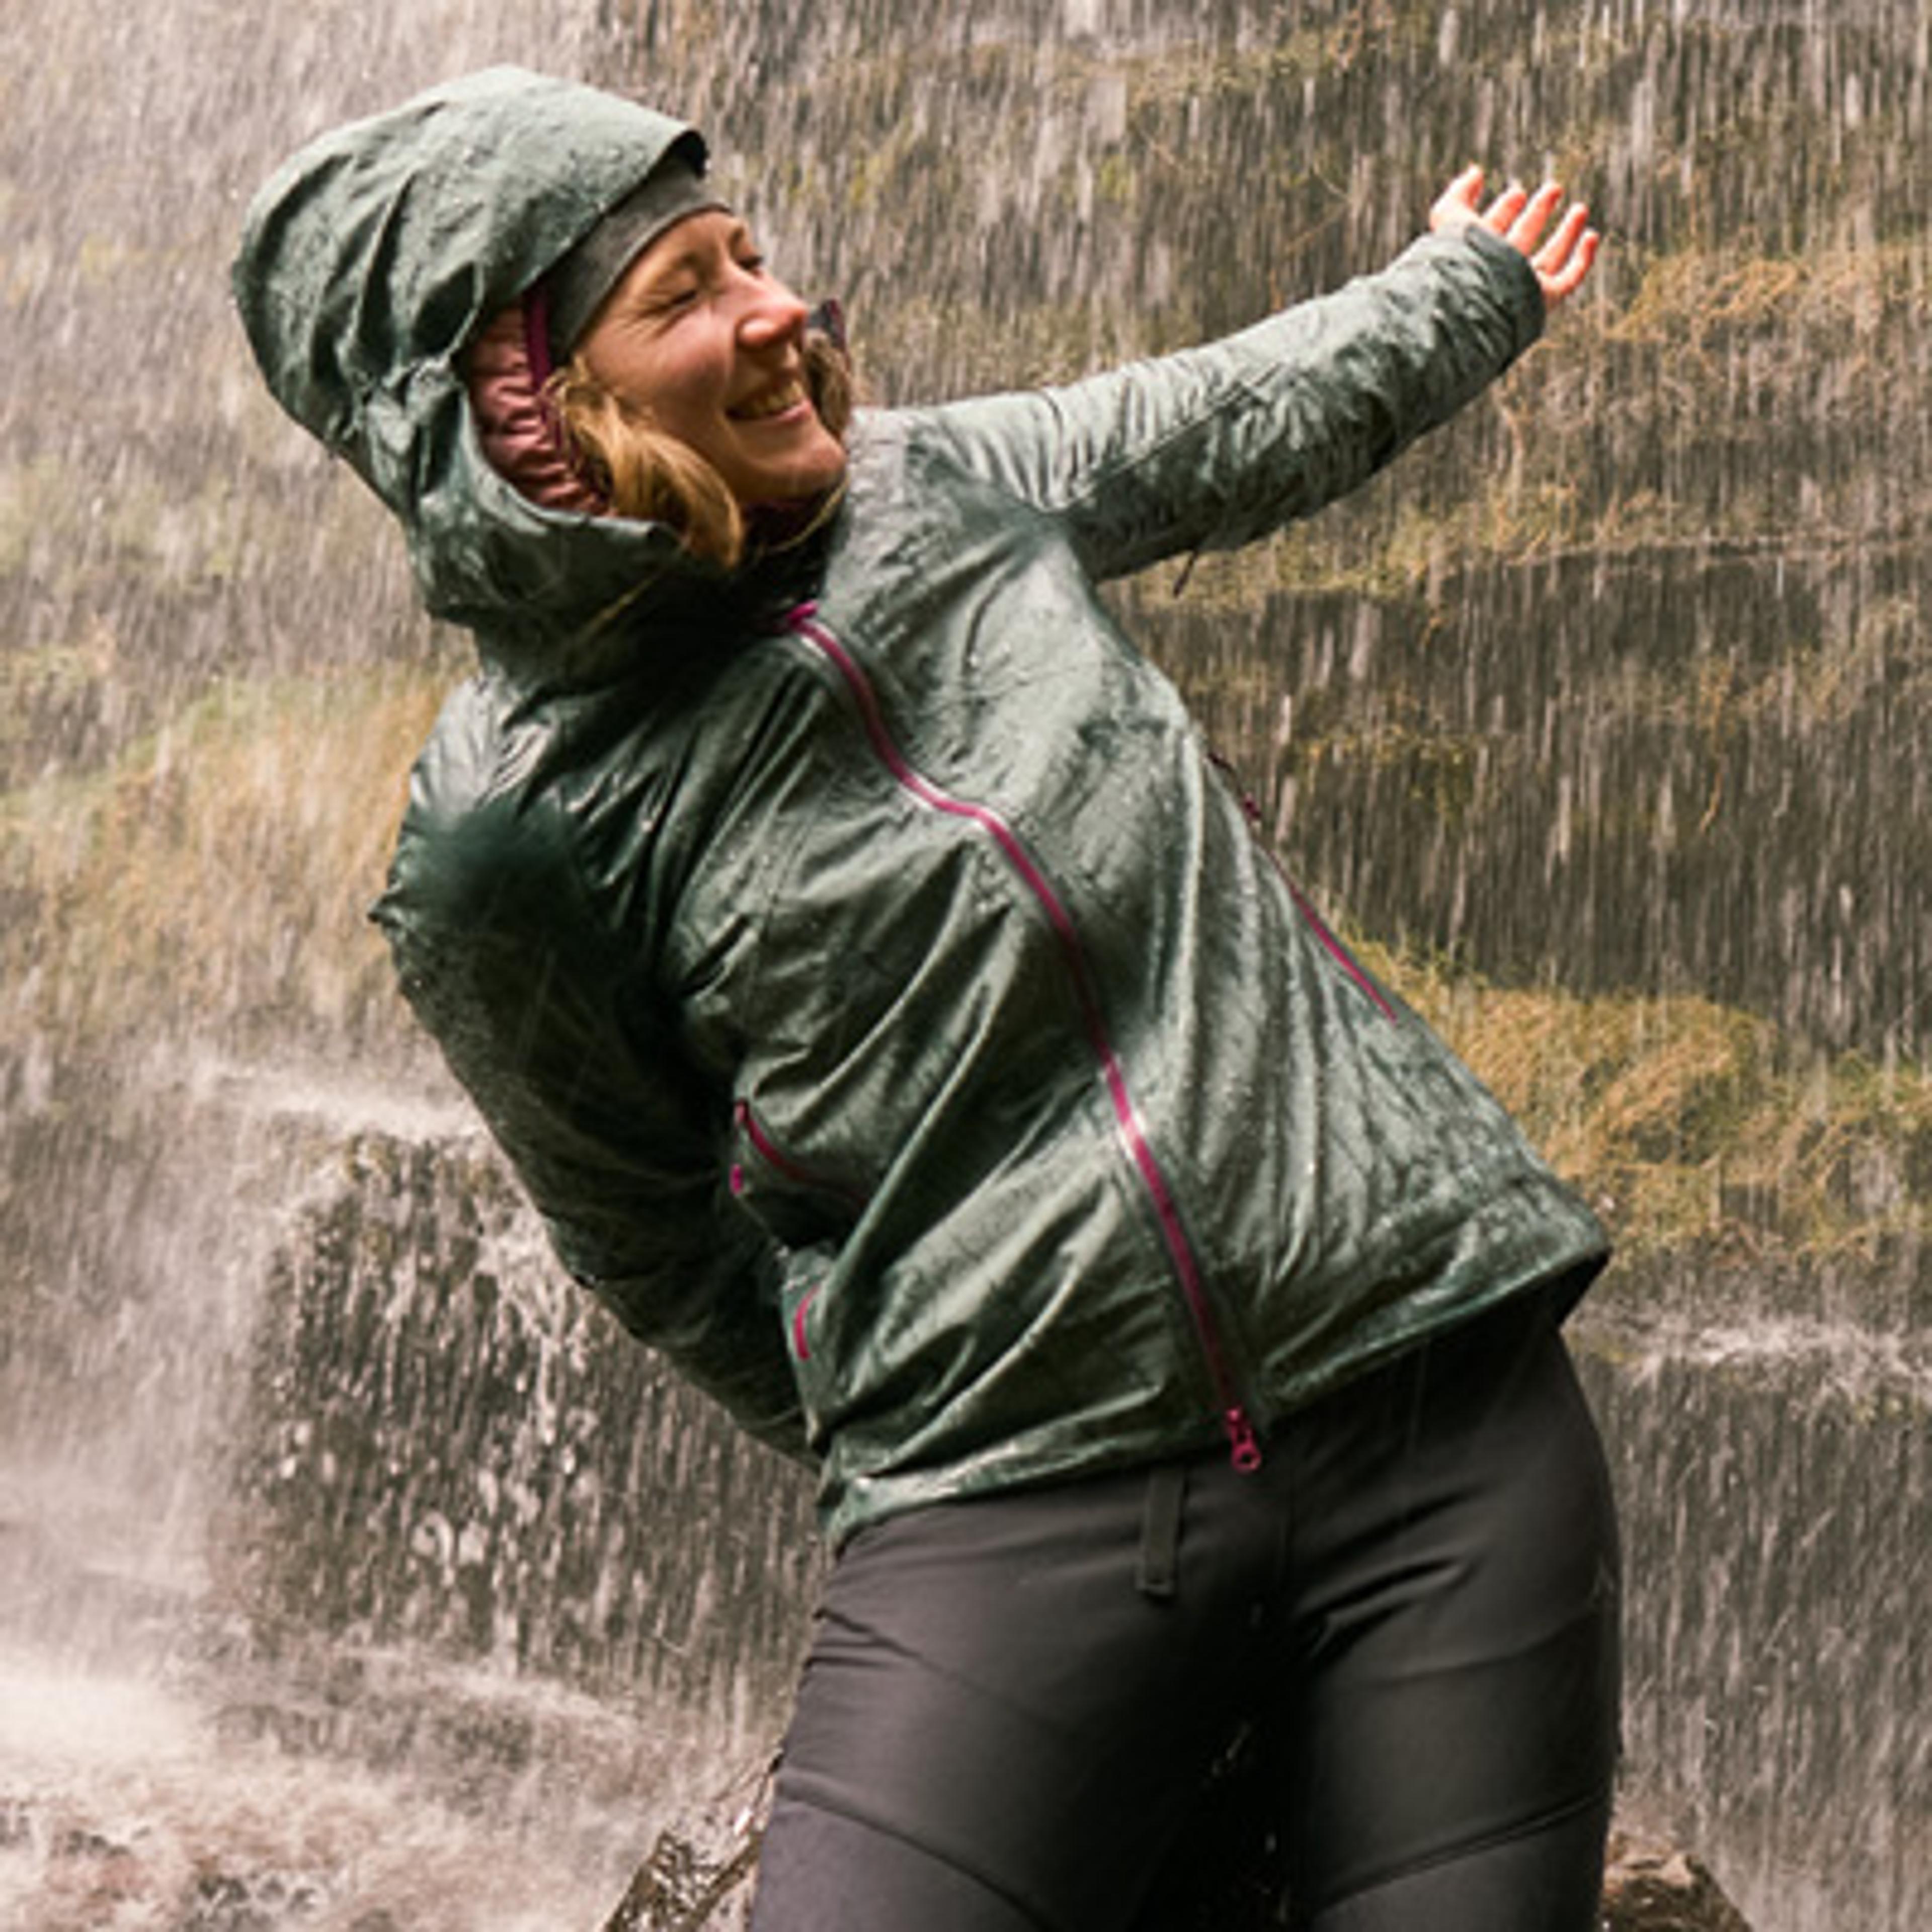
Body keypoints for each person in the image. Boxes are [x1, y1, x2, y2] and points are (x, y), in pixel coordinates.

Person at [234, 66, 1617, 1931]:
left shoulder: (943, 485)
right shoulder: (510, 837)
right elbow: (651, 1231)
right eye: (686, 294)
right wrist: (937, 1371)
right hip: (1006, 1509)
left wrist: (1466, 285)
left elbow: (1235, 413)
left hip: (1441, 1411)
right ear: (524, 411)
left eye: (753, 256)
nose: (780, 311)